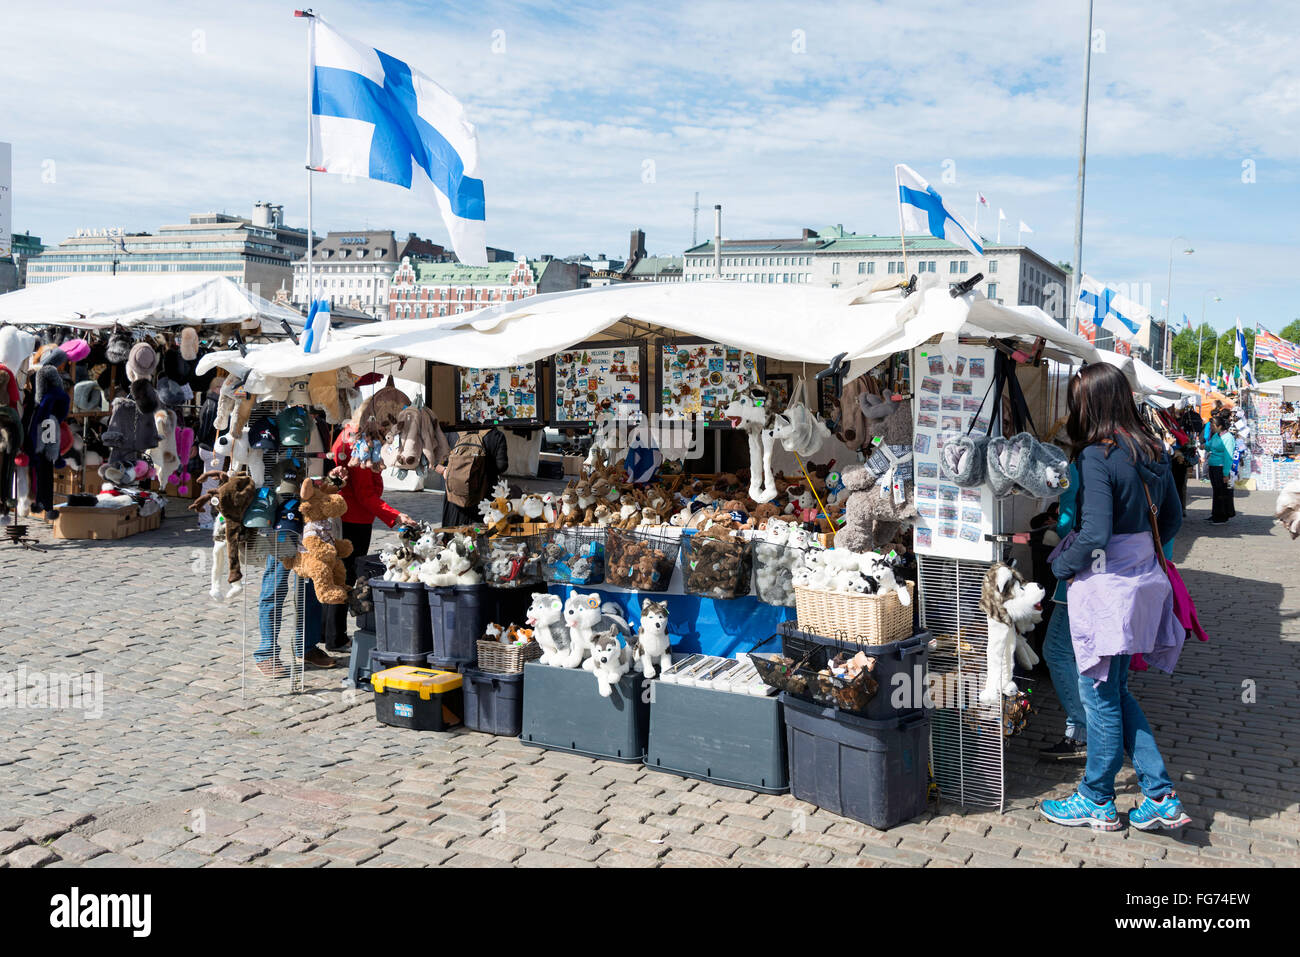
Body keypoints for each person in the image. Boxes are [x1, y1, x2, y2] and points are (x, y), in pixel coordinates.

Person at [1041, 362, 1192, 832]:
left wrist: (1060, 568)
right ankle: (1161, 795)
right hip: (1143, 579)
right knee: (1117, 690)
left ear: (1092, 404)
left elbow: (1094, 533)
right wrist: (1140, 556)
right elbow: (1172, 521)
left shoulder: (1098, 457)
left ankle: (1097, 798)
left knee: (1099, 697)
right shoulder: (1151, 450)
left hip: (1106, 590)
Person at [322, 429, 417, 651]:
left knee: (338, 574)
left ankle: (328, 632)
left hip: (347, 515)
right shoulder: (360, 443)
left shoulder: (345, 434)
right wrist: (395, 517)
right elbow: (365, 494)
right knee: (345, 576)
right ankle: (335, 636)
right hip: (354, 518)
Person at [1038, 457, 1087, 761]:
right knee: (1082, 653)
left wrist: (1063, 561)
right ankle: (1093, 730)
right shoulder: (1133, 455)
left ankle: (1080, 731)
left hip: (1082, 570)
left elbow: (1070, 518)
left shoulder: (1082, 463)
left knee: (1056, 650)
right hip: (1115, 568)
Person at [439, 426, 508, 528]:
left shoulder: (452, 432)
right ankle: (475, 543)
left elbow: (438, 460)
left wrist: (444, 471)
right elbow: (502, 466)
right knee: (478, 536)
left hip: (454, 500)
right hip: (483, 497)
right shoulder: (496, 435)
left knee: (453, 536)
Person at [1205, 413, 1235, 525]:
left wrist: (1226, 473)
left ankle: (1222, 516)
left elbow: (1228, 456)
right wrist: (1205, 445)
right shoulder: (1216, 436)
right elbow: (1210, 446)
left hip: (1221, 467)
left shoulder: (1228, 438)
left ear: (1220, 426)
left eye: (1213, 426)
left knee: (1221, 492)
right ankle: (1215, 514)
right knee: (1216, 491)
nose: (1211, 428)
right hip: (1213, 466)